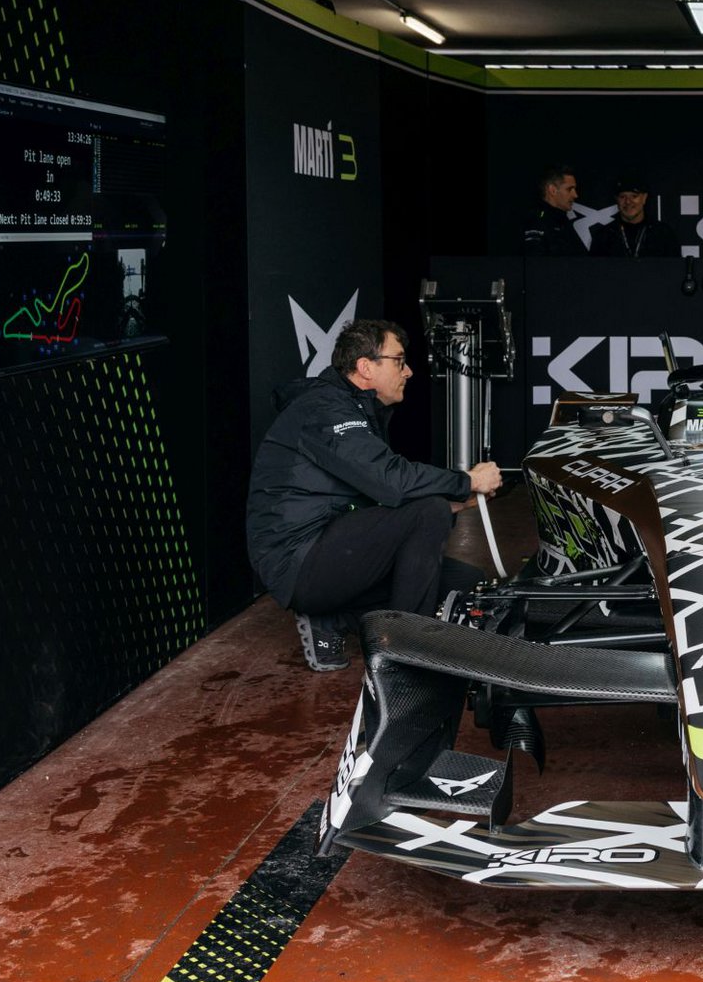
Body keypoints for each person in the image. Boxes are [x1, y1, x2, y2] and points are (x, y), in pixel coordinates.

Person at [246, 319, 503, 672]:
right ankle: (404, 651)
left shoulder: (357, 409)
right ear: (366, 367)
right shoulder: (326, 409)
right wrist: (467, 480)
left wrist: (455, 503)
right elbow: (391, 481)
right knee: (429, 511)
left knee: (465, 582)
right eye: (399, 361)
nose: (408, 371)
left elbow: (380, 499)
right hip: (299, 561)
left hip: (331, 549)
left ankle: (333, 618)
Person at [589, 174, 679, 257]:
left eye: (634, 196)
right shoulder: (603, 236)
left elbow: (675, 267)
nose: (628, 202)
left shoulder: (663, 234)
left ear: (644, 198)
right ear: (616, 199)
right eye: (622, 197)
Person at [522, 164, 586, 256]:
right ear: (552, 190)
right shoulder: (536, 220)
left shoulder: (563, 221)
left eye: (574, 189)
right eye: (569, 189)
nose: (575, 195)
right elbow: (535, 262)